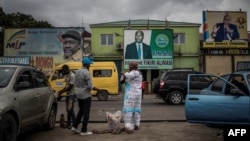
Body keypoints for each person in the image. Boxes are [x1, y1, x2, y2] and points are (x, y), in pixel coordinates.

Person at [71, 57, 100, 136]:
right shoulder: (87, 73)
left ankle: (75, 126)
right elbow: (90, 86)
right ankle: (84, 130)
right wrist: (98, 90)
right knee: (86, 113)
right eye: (89, 64)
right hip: (86, 96)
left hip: (79, 94)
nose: (90, 66)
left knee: (81, 111)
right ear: (87, 65)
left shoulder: (77, 72)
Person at [121, 61, 143, 134]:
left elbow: (123, 79)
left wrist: (123, 74)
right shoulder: (139, 73)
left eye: (129, 66)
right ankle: (136, 125)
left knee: (128, 110)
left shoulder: (133, 73)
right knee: (136, 110)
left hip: (131, 94)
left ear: (131, 67)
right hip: (138, 95)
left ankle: (128, 126)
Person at [57, 64, 76, 129]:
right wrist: (61, 90)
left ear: (66, 70)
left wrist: (61, 92)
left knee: (71, 109)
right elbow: (67, 86)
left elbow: (70, 87)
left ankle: (74, 124)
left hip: (72, 94)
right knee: (68, 110)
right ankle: (68, 123)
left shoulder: (72, 75)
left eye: (63, 71)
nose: (62, 72)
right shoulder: (67, 75)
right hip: (68, 94)